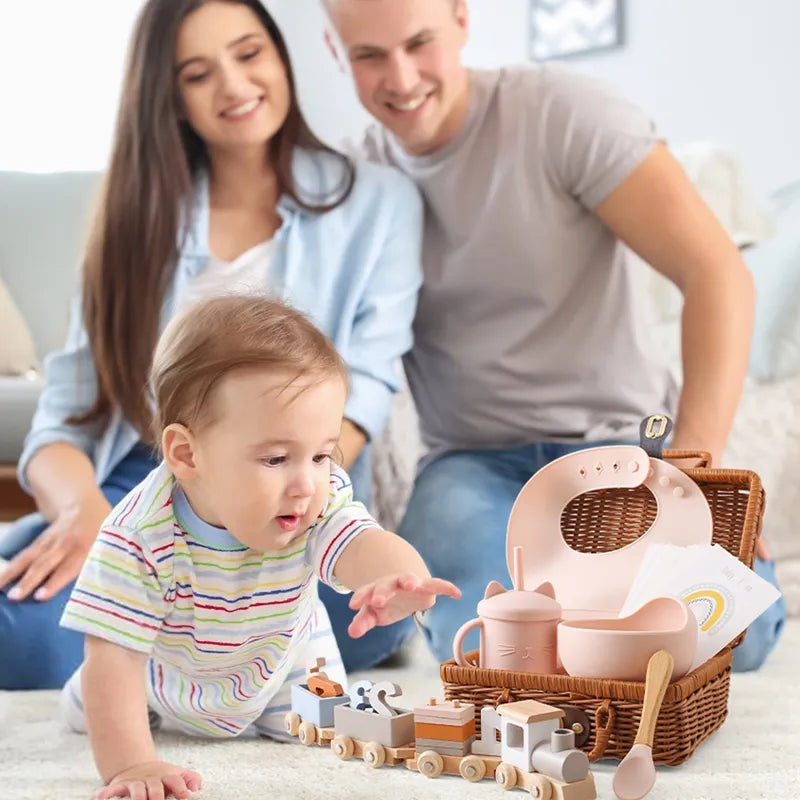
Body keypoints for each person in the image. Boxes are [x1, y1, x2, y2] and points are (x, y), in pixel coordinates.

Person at [322, 0, 785, 671]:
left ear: (460, 17)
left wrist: (694, 474)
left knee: (739, 638)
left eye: (419, 42)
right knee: (495, 644)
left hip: (623, 449)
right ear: (337, 54)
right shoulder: (354, 186)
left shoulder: (562, 113)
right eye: (369, 56)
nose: (401, 76)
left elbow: (717, 274)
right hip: (472, 467)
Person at [0, 0, 423, 689]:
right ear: (170, 97)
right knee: (17, 637)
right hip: (141, 486)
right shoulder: (131, 222)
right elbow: (60, 422)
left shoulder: (377, 203)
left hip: (286, 484)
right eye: (198, 74)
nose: (233, 85)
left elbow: (367, 391)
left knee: (381, 609)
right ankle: (173, 647)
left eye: (249, 53)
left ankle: (169, 651)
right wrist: (89, 520)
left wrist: (282, 492)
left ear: (281, 57)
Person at [58, 294, 460, 800]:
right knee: (99, 702)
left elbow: (361, 541)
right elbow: (115, 657)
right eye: (275, 459)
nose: (306, 484)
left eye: (320, 454)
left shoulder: (317, 497)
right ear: (187, 453)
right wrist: (131, 763)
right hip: (164, 675)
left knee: (335, 724)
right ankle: (87, 698)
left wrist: (399, 577)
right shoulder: (139, 535)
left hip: (285, 663)